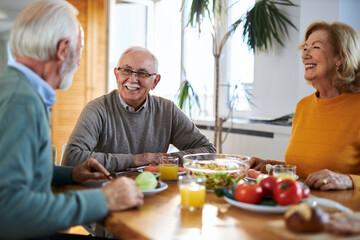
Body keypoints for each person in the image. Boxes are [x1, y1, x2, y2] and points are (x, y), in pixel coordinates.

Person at [0, 1, 143, 239]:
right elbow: (9, 211)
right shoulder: (21, 102)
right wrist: (104, 199)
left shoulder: (16, 87)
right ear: (63, 49)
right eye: (80, 49)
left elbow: (20, 173)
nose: (78, 61)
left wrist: (70, 174)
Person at [62, 46, 216, 171]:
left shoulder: (167, 110)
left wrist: (163, 160)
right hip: (108, 192)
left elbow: (208, 151)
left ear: (155, 81)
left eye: (142, 73)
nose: (132, 79)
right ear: (117, 74)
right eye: (126, 70)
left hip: (157, 192)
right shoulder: (97, 109)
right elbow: (71, 158)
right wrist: (139, 159)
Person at [250, 21, 360, 191]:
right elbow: (304, 170)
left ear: (340, 57)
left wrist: (349, 180)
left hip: (345, 214)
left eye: (315, 47)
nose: (305, 55)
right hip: (302, 206)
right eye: (305, 48)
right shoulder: (303, 106)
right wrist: (269, 165)